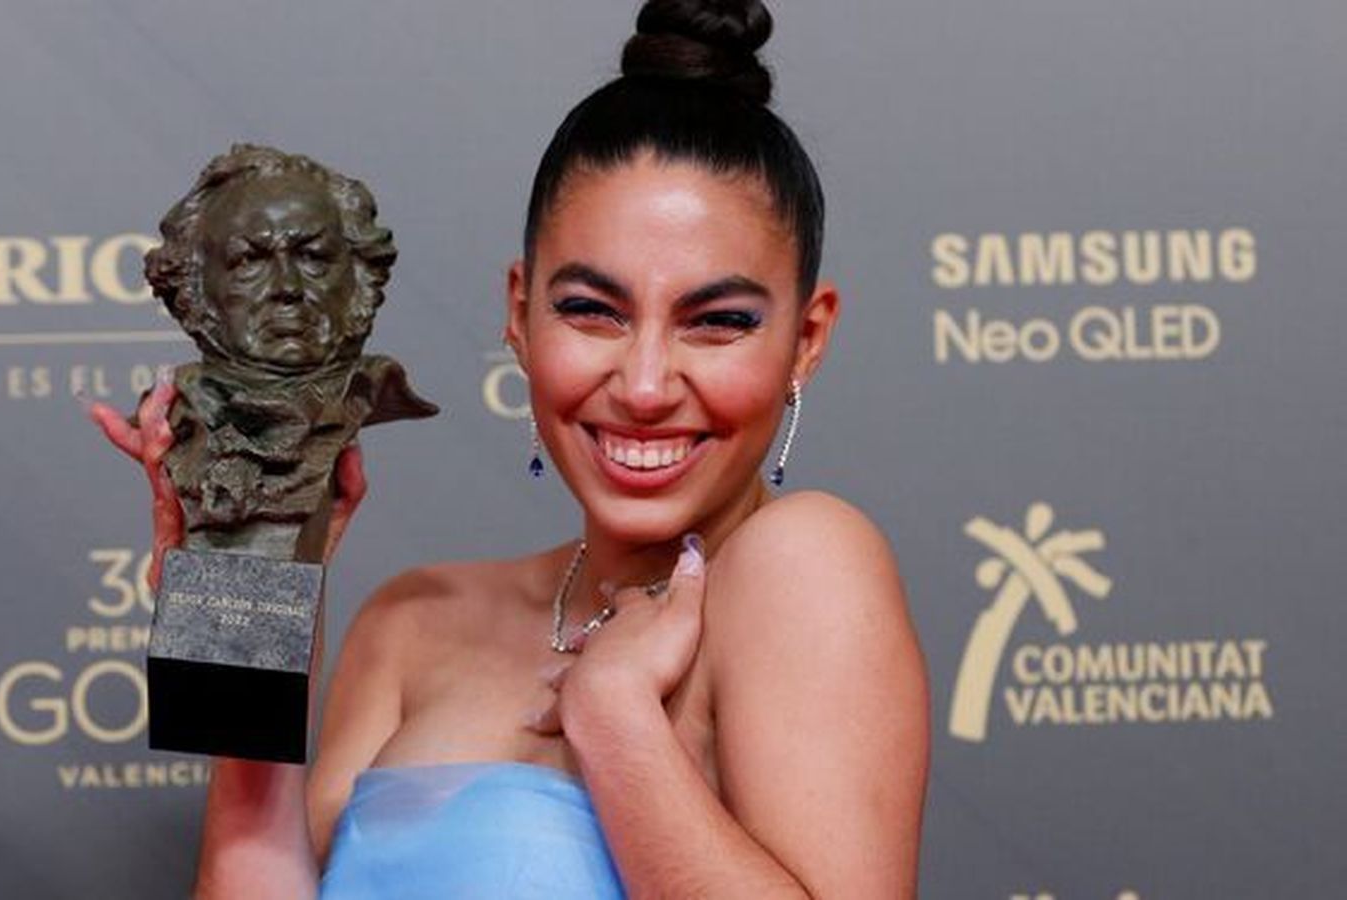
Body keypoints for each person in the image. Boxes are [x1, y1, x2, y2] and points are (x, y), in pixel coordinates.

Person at [95, 1, 929, 896]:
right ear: (519, 313)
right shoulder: (411, 622)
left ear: (807, 338)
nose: (645, 385)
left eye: (717, 322)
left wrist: (614, 721)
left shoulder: (802, 562)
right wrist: (246, 605)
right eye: (591, 310)